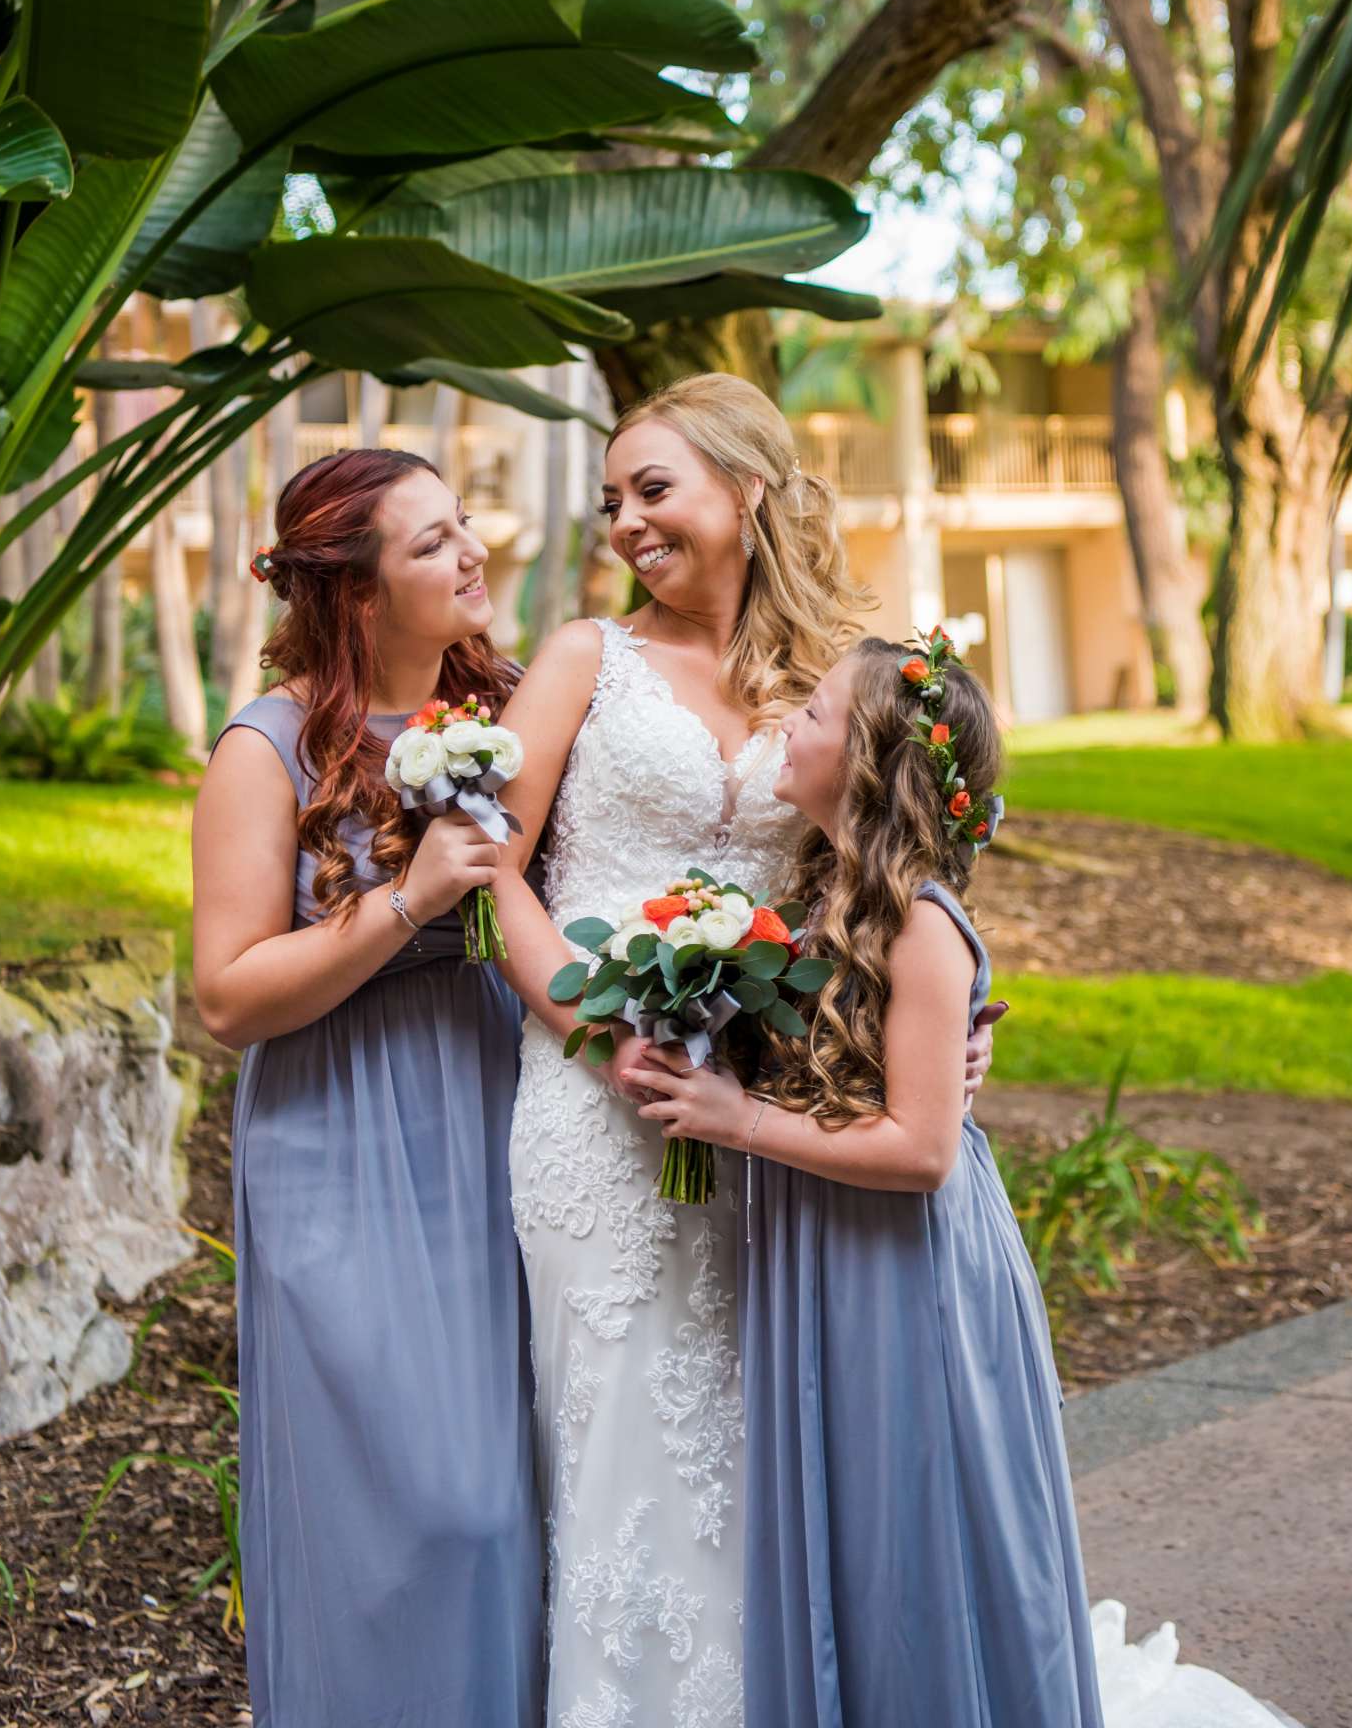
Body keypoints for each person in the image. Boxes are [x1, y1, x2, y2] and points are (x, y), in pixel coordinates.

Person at [631, 633, 1305, 1728]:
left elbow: (923, 1150)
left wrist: (735, 1119)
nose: (787, 727)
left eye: (813, 718)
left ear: (863, 762)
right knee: (843, 1521)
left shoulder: (922, 926)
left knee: (914, 1527)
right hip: (821, 1248)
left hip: (905, 1272)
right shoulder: (813, 902)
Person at [490, 377, 996, 1728]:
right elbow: (494, 879)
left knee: (767, 1426)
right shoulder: (580, 661)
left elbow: (891, 878)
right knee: (613, 1430)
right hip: (593, 1108)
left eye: (652, 488)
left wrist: (933, 1038)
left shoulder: (841, 670)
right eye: (610, 500)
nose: (624, 522)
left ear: (748, 489)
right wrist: (604, 1041)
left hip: (770, 1106)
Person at [191, 449, 542, 1728]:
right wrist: (409, 900)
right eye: (434, 543)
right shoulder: (267, 746)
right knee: (416, 1509)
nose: (472, 555)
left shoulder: (515, 706)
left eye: (465, 528)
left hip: (505, 1106)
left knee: (529, 1496)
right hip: (342, 1131)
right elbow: (228, 995)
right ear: (354, 593)